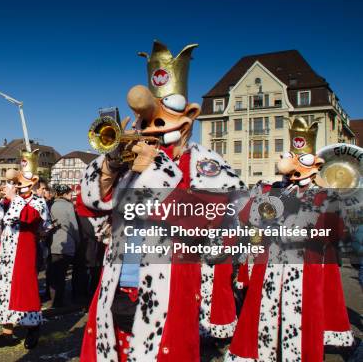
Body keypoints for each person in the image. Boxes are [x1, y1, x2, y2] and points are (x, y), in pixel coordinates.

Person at [79, 40, 247, 361]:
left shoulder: (203, 161)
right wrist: (109, 167)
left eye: (165, 109)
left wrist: (157, 170)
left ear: (190, 115)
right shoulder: (130, 163)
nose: (150, 122)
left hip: (170, 288)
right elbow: (94, 217)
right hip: (118, 283)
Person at [226, 118, 354, 361]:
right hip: (270, 268)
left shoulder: (323, 195)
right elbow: (245, 215)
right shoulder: (271, 189)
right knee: (263, 324)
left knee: (303, 325)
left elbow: (338, 232)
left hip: (305, 270)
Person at [0, 149, 49, 349]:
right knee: (4, 289)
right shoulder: (11, 200)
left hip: (24, 251)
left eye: (19, 182)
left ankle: (33, 326)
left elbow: (28, 217)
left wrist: (14, 199)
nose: (16, 185)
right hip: (7, 251)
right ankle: (7, 332)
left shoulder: (37, 201)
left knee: (24, 289)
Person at [48, 184, 79, 308]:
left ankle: (52, 300)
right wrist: (78, 240)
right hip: (67, 244)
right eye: (70, 193)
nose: (71, 196)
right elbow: (73, 226)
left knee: (54, 273)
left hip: (53, 244)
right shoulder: (68, 206)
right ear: (65, 194)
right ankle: (59, 302)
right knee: (62, 275)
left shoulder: (52, 205)